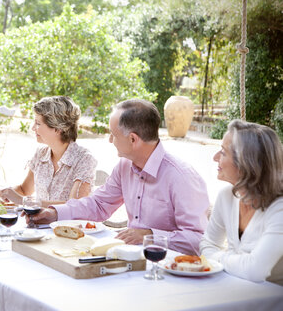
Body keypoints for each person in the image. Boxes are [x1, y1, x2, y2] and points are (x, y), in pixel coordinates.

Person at [32, 99, 210, 255]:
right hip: (132, 259)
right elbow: (99, 204)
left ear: (133, 139)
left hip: (171, 269)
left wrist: (149, 235)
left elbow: (198, 240)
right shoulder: (125, 166)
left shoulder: (181, 177)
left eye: (114, 134)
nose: (110, 140)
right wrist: (54, 213)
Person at [199, 120, 283, 285]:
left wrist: (217, 259)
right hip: (234, 291)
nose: (215, 157)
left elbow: (255, 271)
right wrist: (236, 261)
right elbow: (207, 244)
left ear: (245, 162)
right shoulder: (226, 197)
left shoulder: (279, 209)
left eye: (223, 152)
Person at [0, 96, 97, 206]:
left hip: (69, 228)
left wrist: (24, 201)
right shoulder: (41, 154)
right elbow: (24, 190)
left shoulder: (84, 159)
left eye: (38, 123)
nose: (33, 128)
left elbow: (75, 206)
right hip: (40, 226)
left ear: (58, 129)